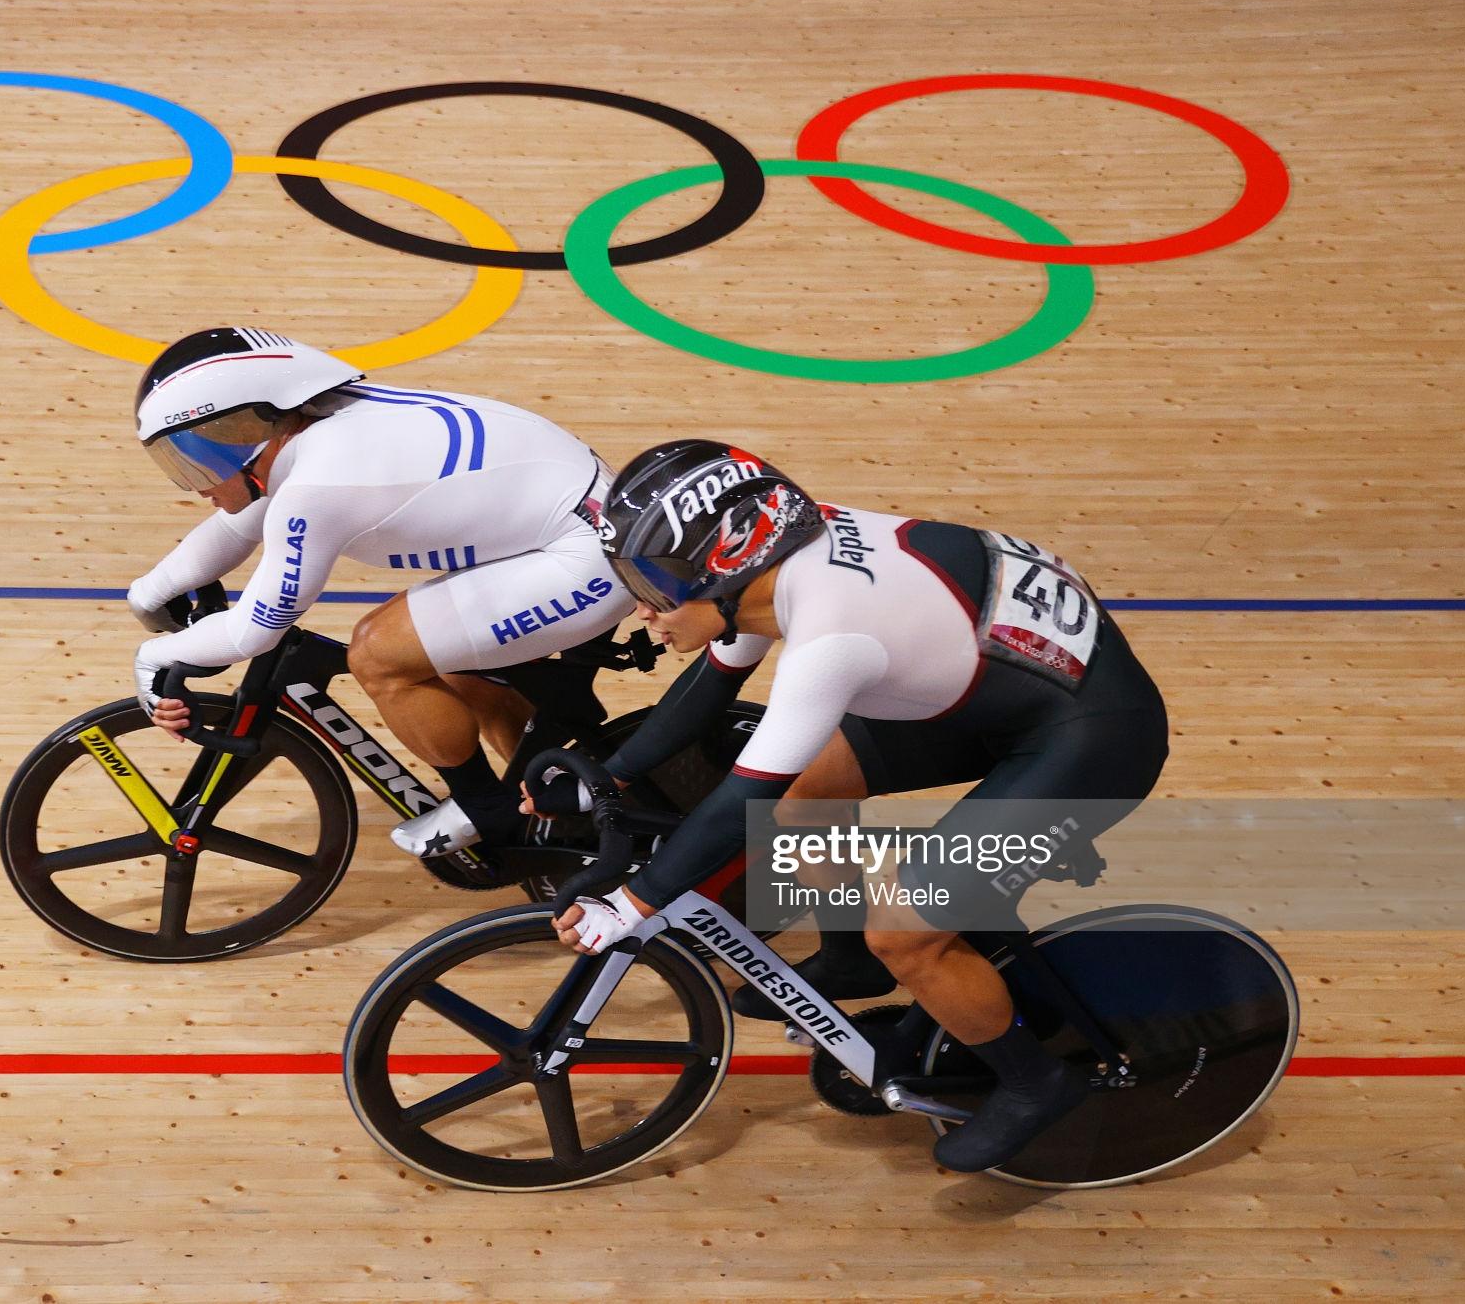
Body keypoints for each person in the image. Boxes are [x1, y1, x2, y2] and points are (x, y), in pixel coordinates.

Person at [530, 440, 1168, 1172]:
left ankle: (1035, 1082)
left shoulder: (831, 634)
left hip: (1091, 735)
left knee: (903, 929)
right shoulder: (774, 572)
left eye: (655, 584)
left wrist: (631, 906)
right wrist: (604, 777)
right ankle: (847, 962)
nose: (643, 610)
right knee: (810, 798)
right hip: (996, 679)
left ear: (730, 564)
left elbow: (742, 796)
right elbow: (705, 692)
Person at [127, 327, 630, 857]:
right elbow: (238, 525)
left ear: (252, 427)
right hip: (577, 527)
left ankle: (485, 806)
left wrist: (155, 653)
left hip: (584, 561)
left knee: (379, 652)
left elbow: (255, 629)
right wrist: (148, 592)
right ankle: (545, 798)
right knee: (447, 657)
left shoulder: (320, 485)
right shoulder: (318, 423)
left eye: (198, 458)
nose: (198, 483)